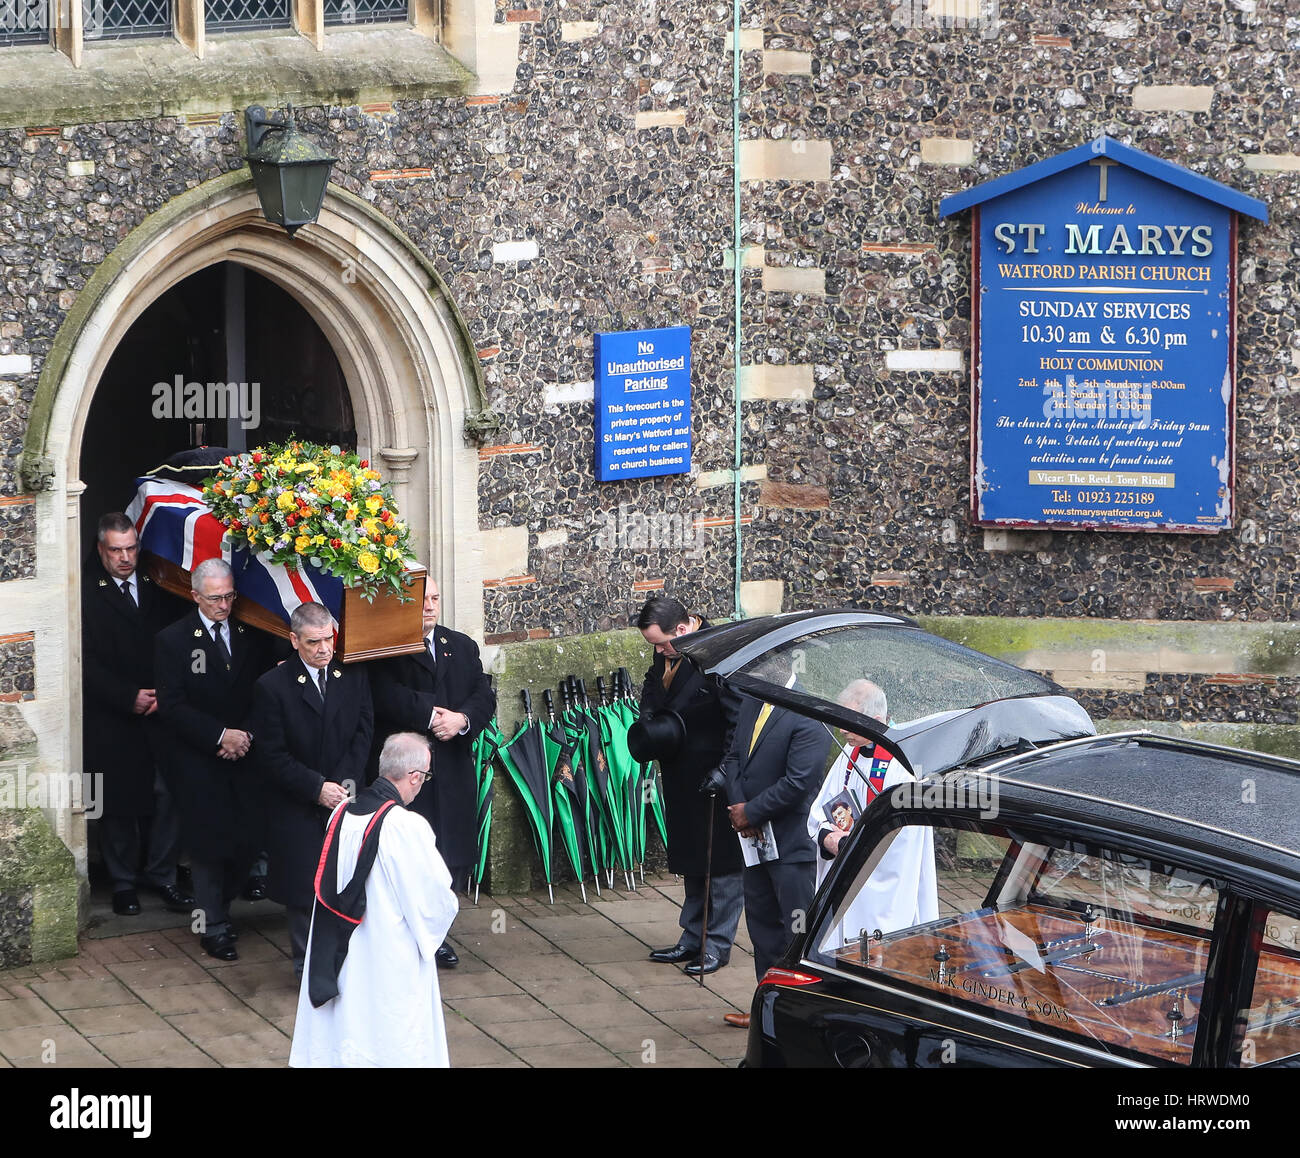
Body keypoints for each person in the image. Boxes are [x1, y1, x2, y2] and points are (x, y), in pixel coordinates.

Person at [289, 732, 458, 1068]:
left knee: (346, 1028)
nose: (423, 783)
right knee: (388, 1037)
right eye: (424, 777)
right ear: (413, 777)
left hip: (339, 944)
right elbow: (434, 900)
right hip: (387, 951)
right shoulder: (406, 826)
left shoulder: (341, 812)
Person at [369, 579, 494, 967]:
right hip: (407, 773)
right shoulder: (387, 646)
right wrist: (430, 714)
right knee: (409, 855)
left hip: (452, 766)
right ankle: (405, 934)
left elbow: (483, 693)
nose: (430, 607)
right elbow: (382, 694)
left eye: (435, 599)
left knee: (449, 855)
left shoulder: (460, 644)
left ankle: (436, 933)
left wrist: (462, 719)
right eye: (421, 601)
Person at [153, 557, 274, 961]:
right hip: (199, 759)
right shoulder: (173, 640)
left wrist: (246, 735)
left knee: (248, 840)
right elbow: (171, 706)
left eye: (228, 597)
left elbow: (264, 692)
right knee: (207, 847)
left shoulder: (249, 633)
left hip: (246, 755)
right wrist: (219, 736)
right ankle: (213, 926)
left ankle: (224, 907)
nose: (223, 605)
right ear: (195, 596)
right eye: (215, 598)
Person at [251, 601, 374, 979]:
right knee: (304, 889)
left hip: (346, 796)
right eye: (313, 642)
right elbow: (271, 755)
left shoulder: (351, 674)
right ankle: (307, 969)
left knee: (348, 882)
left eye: (328, 640)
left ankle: (348, 962)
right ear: (293, 640)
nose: (323, 649)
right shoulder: (272, 686)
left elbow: (363, 731)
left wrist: (343, 784)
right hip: (298, 802)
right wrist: (317, 787)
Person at [82, 512, 193, 917]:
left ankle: (161, 874)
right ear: (101, 550)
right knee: (118, 803)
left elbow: (176, 640)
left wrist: (166, 693)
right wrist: (127, 696)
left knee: (167, 794)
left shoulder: (157, 582)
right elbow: (83, 660)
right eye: (116, 550)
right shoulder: (85, 592)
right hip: (112, 713)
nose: (125, 558)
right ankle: (123, 882)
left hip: (161, 709)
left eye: (131, 548)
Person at [635, 594, 744, 976]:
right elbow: (656, 685)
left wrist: (726, 771)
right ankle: (691, 936)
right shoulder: (667, 649)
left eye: (663, 643)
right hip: (681, 770)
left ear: (683, 629)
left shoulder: (721, 652)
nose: (660, 651)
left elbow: (737, 721)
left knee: (723, 863)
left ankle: (716, 944)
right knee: (694, 859)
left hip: (716, 773)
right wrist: (649, 713)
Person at [721, 659, 831, 1028]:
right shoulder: (754, 698)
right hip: (753, 839)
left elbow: (800, 781)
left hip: (791, 842)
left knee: (794, 931)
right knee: (762, 925)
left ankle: (797, 1015)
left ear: (779, 666)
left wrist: (752, 811)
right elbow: (735, 757)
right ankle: (765, 1009)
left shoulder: (807, 713)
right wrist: (740, 808)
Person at [809, 679, 937, 949]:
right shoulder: (849, 752)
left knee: (875, 954)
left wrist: (854, 843)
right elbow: (821, 809)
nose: (842, 729)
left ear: (876, 720)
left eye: (850, 721)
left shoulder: (904, 765)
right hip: (844, 875)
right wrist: (827, 838)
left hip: (881, 890)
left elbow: (906, 837)